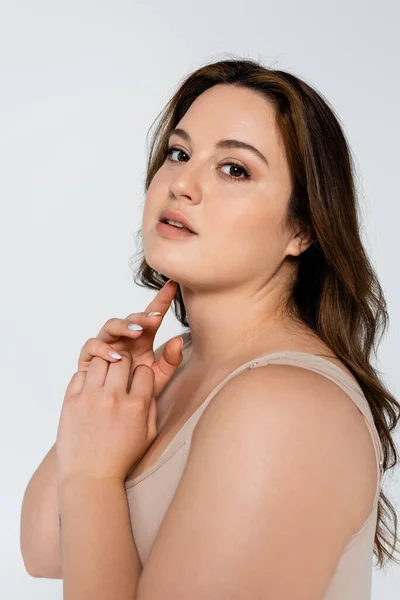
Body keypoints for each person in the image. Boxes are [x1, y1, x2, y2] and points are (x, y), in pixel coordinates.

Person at [21, 57, 400, 598]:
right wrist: (93, 418)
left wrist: (93, 478)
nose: (183, 184)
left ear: (303, 228)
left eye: (235, 169)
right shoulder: (173, 372)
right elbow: (43, 550)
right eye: (179, 153)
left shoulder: (287, 406)